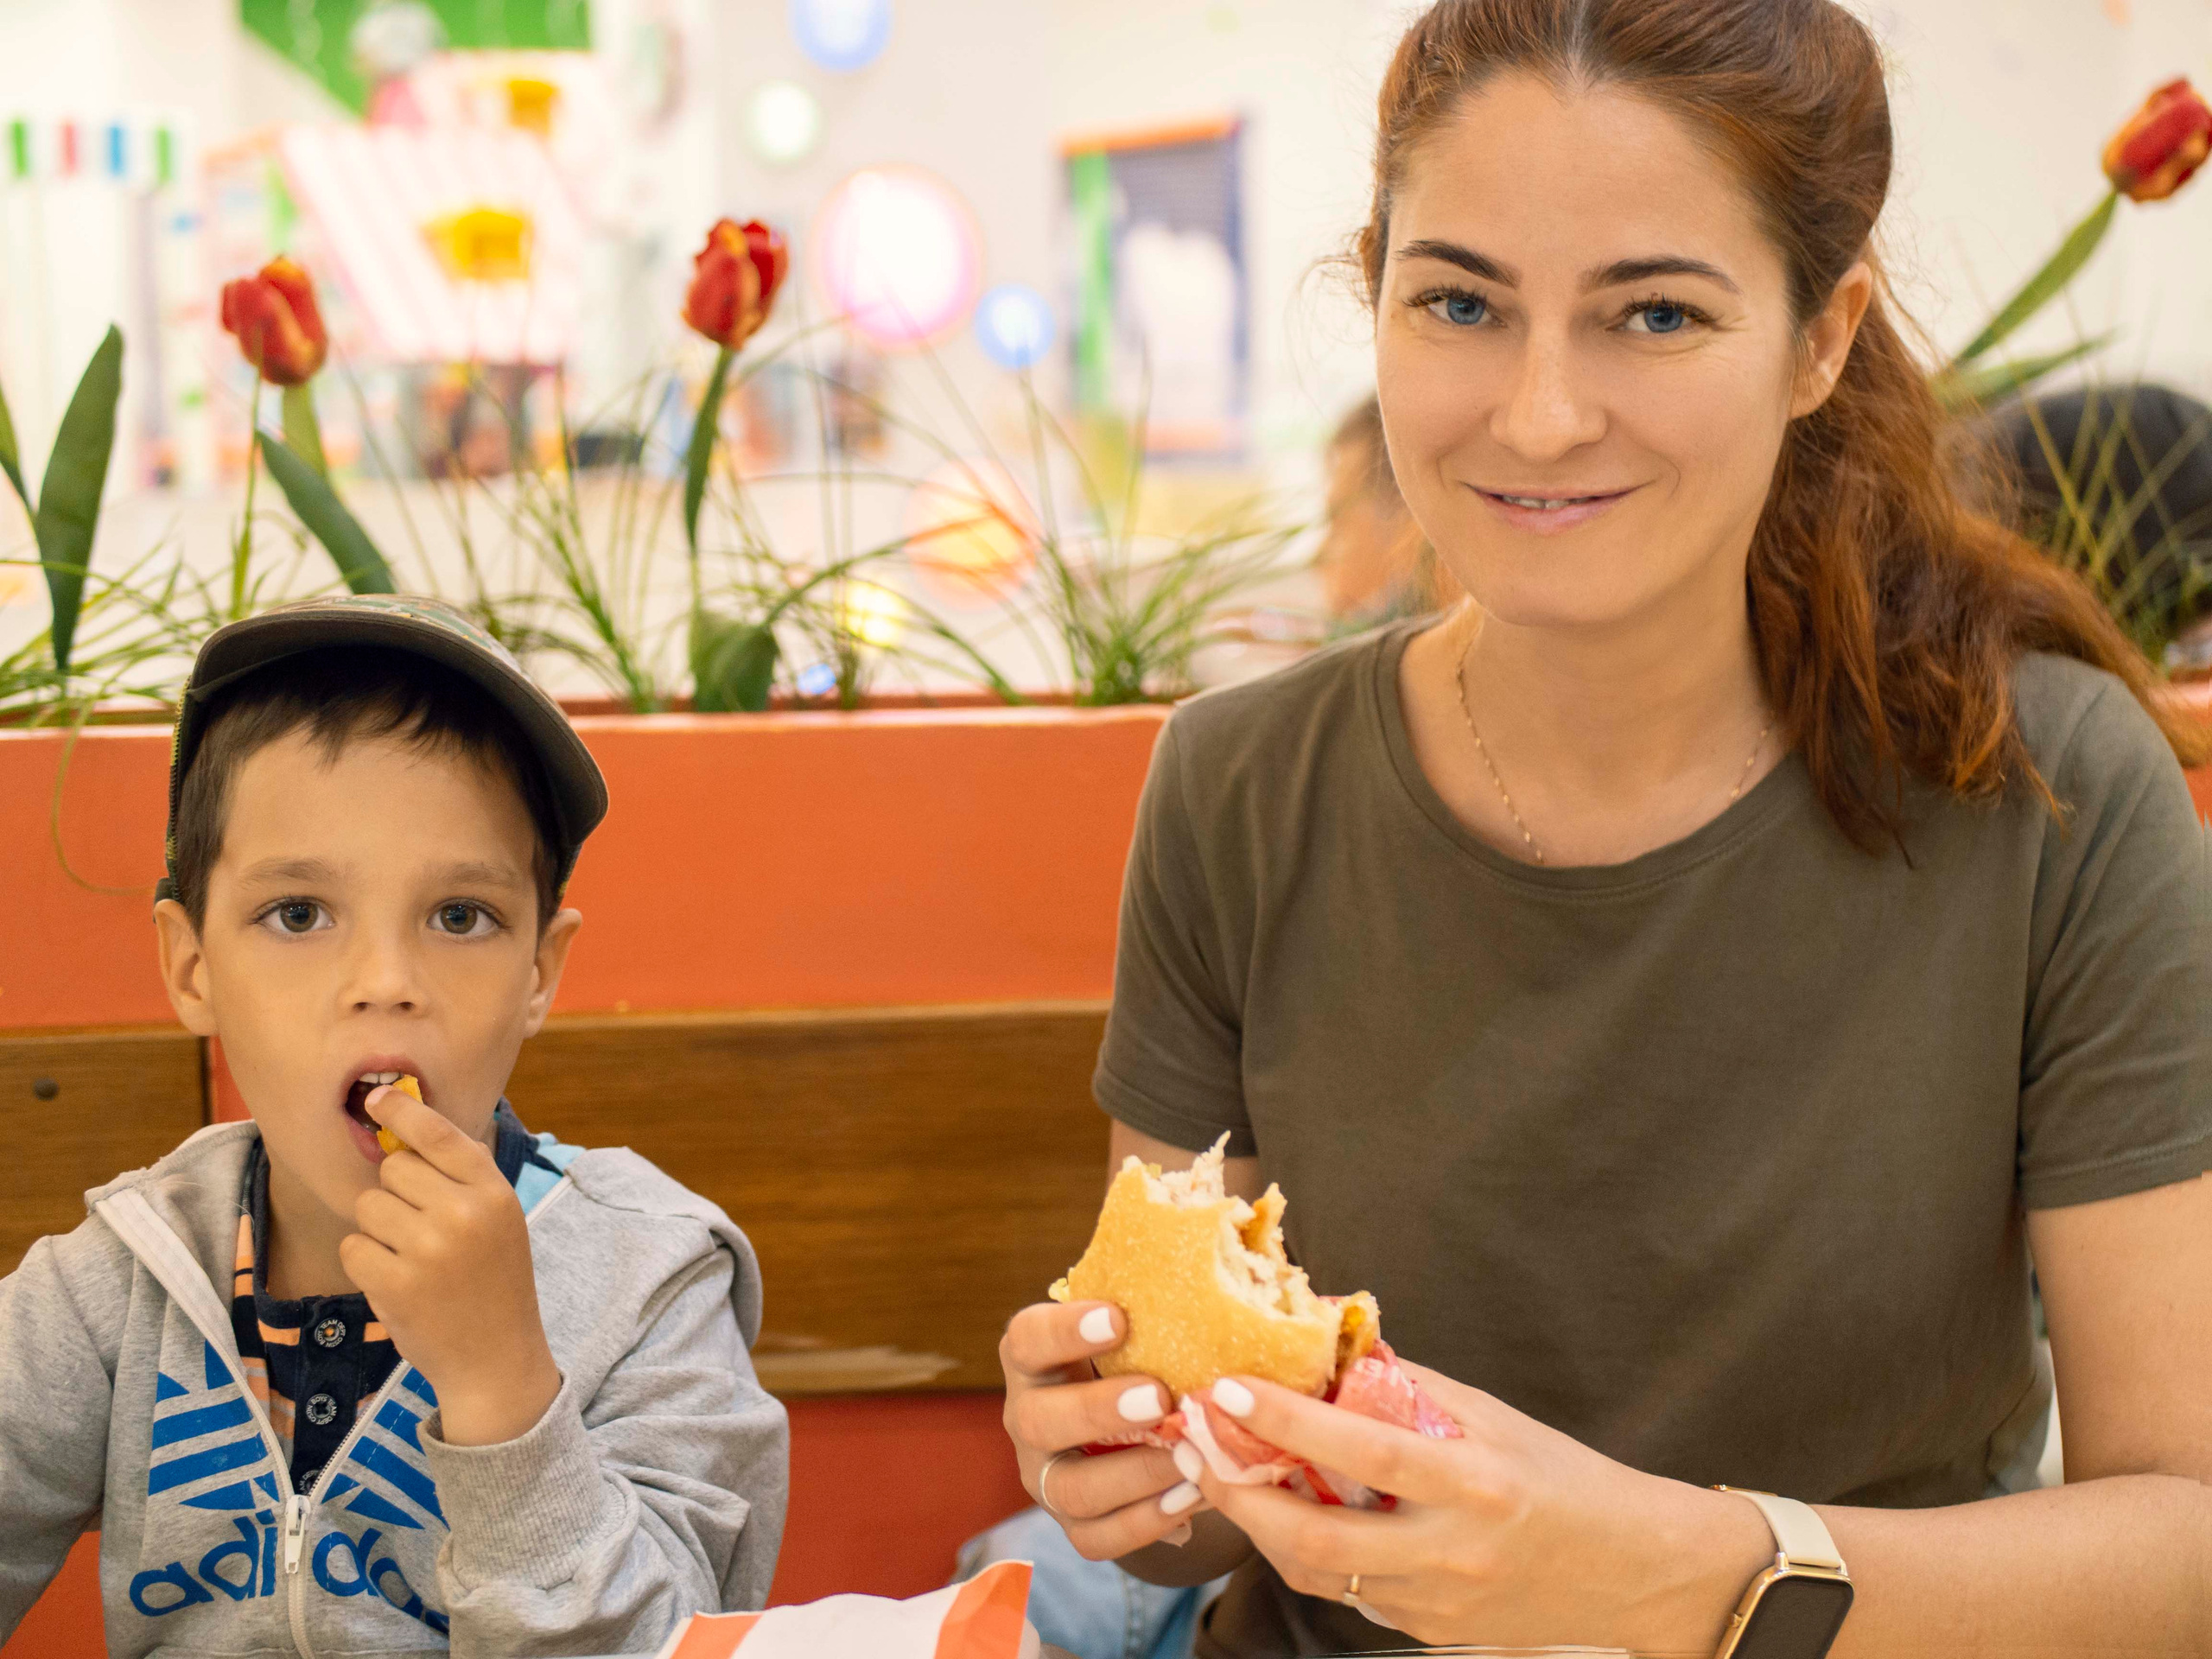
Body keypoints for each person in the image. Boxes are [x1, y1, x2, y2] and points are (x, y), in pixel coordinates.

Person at [998, 3, 2212, 1656]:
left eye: (1652, 312)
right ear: (1378, 300)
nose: (1544, 413)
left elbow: (2185, 1550)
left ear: (1820, 335)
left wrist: (1664, 1572)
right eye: (1461, 303)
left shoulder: (2047, 790)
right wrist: (1128, 1465)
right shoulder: (1236, 787)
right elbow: (1192, 1518)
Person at [0, 595, 789, 1655]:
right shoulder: (119, 1285)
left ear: (540, 976)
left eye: (460, 917)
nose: (385, 982)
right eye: (299, 915)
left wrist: (503, 1387)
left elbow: (665, 1641)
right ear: (192, 968)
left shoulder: (650, 1284)